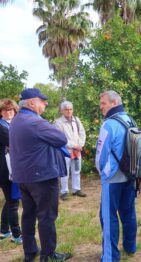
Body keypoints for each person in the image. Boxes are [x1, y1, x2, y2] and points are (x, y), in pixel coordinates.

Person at [9, 88, 72, 262]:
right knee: (47, 216)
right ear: (30, 103)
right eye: (41, 100)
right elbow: (61, 138)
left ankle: (30, 253)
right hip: (41, 177)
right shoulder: (34, 122)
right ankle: (48, 254)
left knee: (28, 215)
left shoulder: (16, 120)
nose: (45, 103)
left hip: (23, 177)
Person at [95, 90, 137, 262]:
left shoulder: (108, 124)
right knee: (128, 213)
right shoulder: (130, 119)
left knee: (108, 216)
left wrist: (102, 173)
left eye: (103, 103)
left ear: (114, 103)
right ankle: (130, 246)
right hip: (130, 175)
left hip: (112, 179)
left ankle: (110, 256)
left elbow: (100, 154)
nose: (101, 107)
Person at [54, 101, 87, 201]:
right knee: (65, 172)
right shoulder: (58, 122)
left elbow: (82, 133)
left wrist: (80, 145)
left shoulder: (76, 120)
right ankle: (64, 192)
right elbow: (60, 138)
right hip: (65, 151)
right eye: (66, 109)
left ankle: (76, 189)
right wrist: (75, 145)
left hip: (77, 151)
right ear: (62, 111)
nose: (69, 111)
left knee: (77, 170)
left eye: (70, 109)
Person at [0, 99, 22, 244]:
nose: (8, 113)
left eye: (11, 110)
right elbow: (16, 143)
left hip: (9, 167)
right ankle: (17, 234)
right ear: (1, 112)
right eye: (5, 110)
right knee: (13, 201)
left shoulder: (11, 125)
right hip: (5, 169)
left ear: (15, 111)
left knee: (9, 200)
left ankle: (4, 230)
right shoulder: (2, 128)